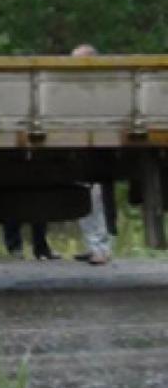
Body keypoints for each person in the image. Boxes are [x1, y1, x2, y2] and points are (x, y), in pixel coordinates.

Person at [70, 44, 114, 265]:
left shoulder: (97, 87)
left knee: (93, 202)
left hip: (94, 152)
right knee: (85, 204)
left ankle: (101, 249)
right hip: (82, 150)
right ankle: (94, 246)